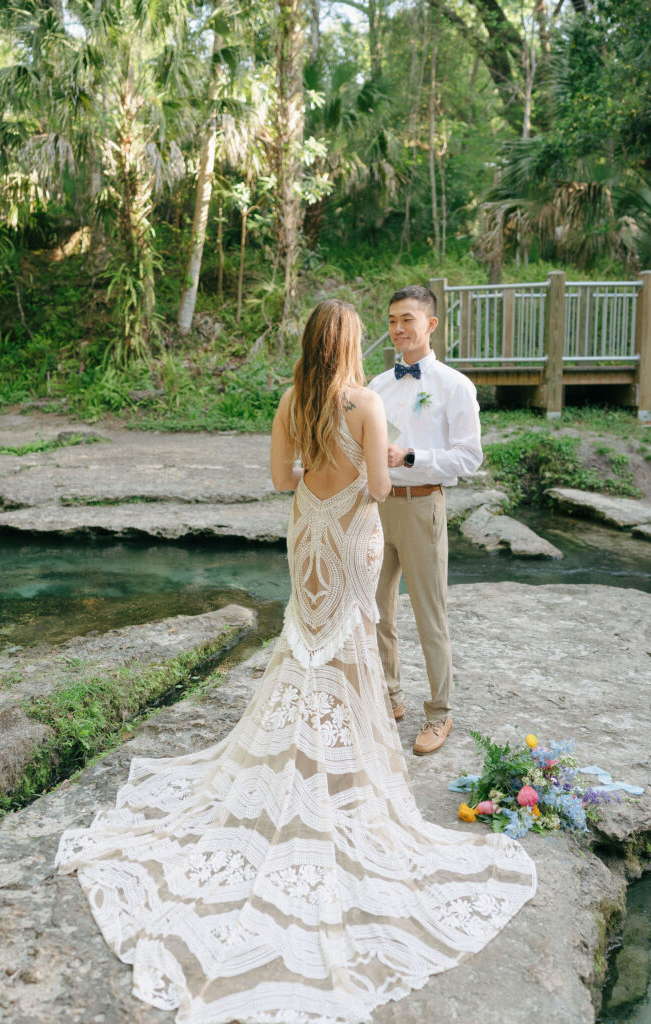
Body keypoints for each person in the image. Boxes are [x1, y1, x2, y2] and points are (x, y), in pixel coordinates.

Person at [55, 299, 535, 1024]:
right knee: (350, 644)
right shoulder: (367, 401)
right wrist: (368, 463)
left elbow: (283, 479)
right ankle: (340, 769)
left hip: (307, 532)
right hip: (354, 533)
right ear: (346, 344)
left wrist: (319, 466)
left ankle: (297, 759)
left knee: (306, 642)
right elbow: (377, 488)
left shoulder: (290, 399)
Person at [369, 284, 483, 755]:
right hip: (376, 507)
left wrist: (412, 455)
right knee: (375, 610)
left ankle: (438, 714)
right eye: (393, 320)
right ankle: (388, 698)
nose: (398, 328)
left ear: (430, 324)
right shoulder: (376, 386)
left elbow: (469, 458)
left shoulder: (455, 386)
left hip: (422, 506)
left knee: (428, 615)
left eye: (407, 320)